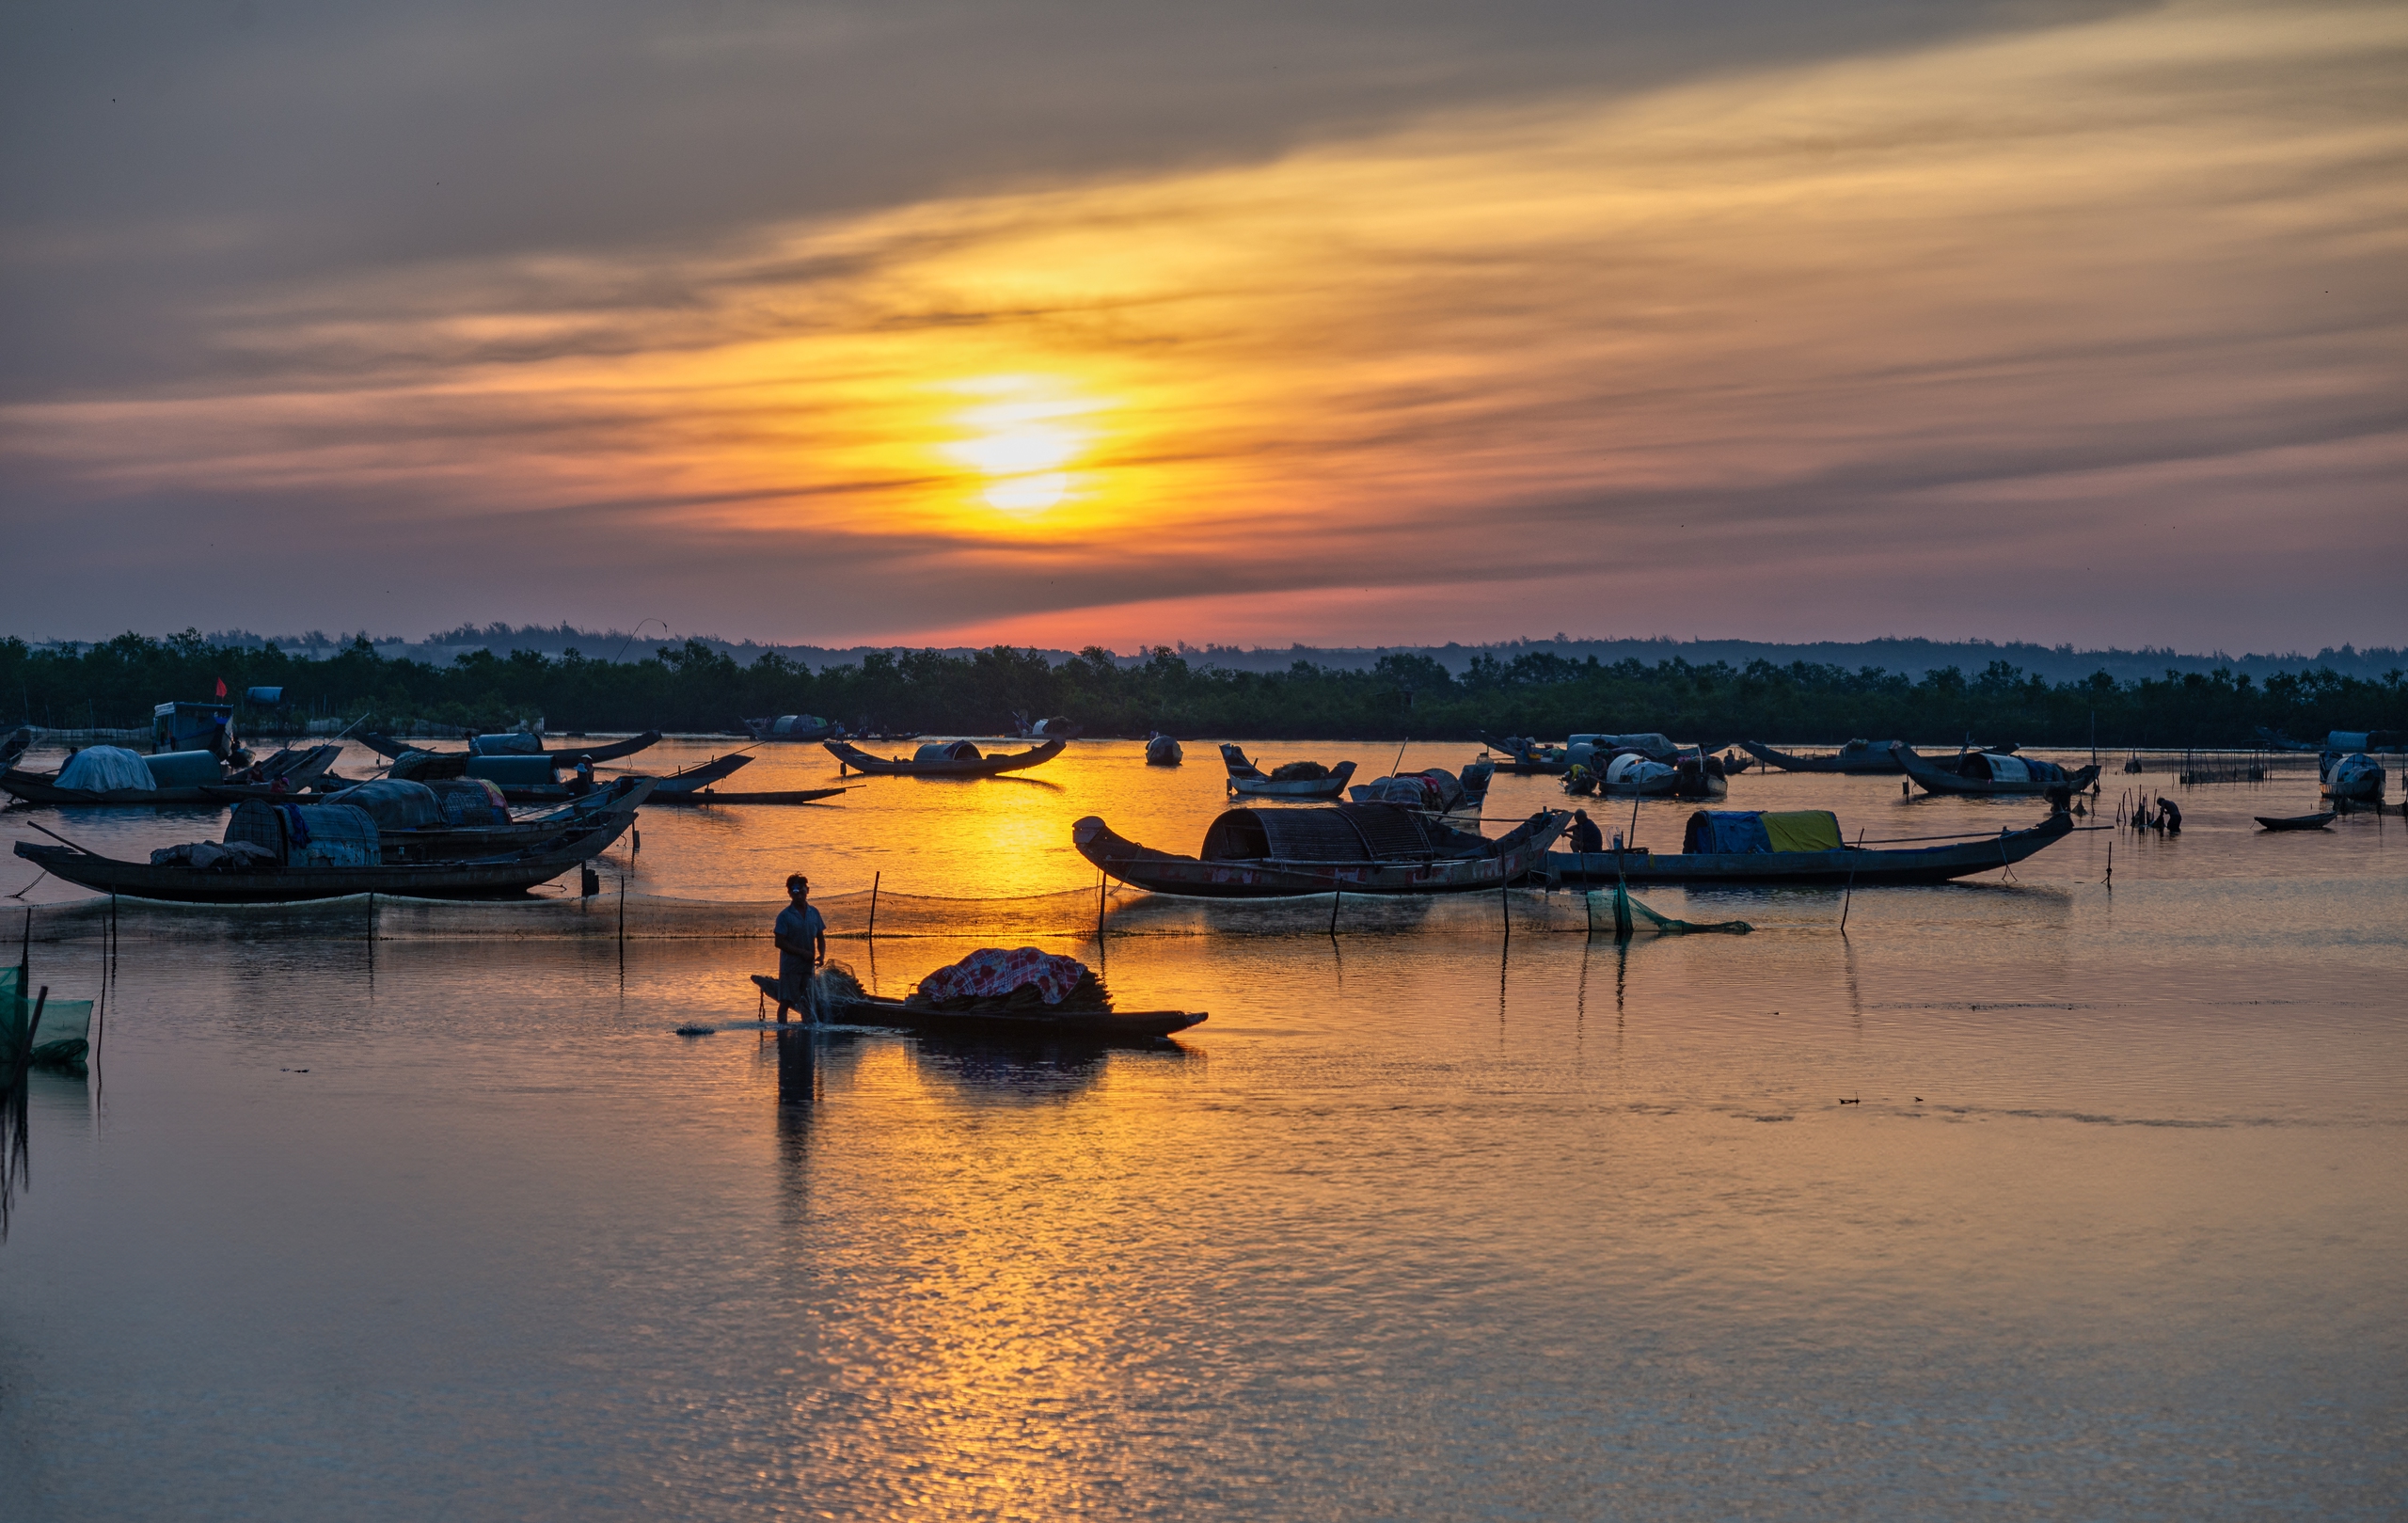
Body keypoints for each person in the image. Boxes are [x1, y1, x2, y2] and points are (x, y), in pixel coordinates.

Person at [772, 873, 828, 1024]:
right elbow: (779, 942)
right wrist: (801, 953)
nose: (798, 895)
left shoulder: (814, 913)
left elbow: (820, 937)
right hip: (790, 967)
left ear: (807, 890)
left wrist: (821, 956)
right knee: (786, 1002)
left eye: (801, 891)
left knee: (808, 1001)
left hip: (808, 967)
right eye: (794, 892)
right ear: (789, 893)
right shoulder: (784, 916)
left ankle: (807, 1031)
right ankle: (782, 1032)